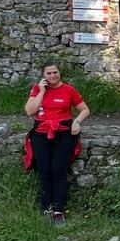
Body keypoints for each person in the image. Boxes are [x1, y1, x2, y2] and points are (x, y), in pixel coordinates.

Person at [24, 63, 90, 226]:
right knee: (44, 170)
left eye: (55, 72)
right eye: (49, 73)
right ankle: (46, 206)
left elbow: (85, 109)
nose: (52, 75)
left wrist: (76, 122)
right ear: (43, 75)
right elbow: (30, 111)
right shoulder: (37, 89)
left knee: (59, 170)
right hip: (41, 133)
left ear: (60, 73)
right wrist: (42, 91)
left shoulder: (69, 90)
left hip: (64, 133)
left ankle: (58, 210)